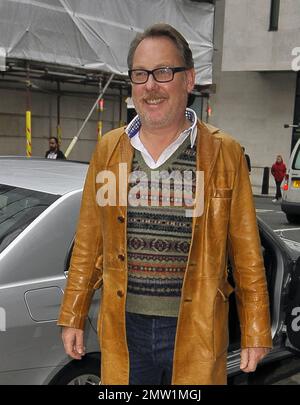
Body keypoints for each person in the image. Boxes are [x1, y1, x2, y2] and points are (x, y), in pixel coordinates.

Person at [57, 23, 272, 385]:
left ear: (188, 79)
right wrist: (73, 315)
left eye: (163, 72)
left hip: (198, 327)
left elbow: (247, 252)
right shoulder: (109, 150)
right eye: (140, 75)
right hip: (124, 329)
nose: (151, 86)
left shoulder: (225, 154)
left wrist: (255, 328)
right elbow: (88, 242)